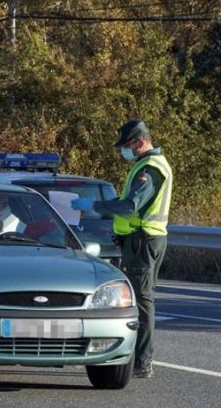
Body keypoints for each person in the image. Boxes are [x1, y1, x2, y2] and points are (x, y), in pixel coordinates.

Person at [71, 119, 172, 379]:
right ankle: (137, 359)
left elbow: (130, 206)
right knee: (139, 298)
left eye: (127, 146)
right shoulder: (144, 165)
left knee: (141, 300)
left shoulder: (150, 168)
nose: (124, 151)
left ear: (140, 142)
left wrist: (98, 207)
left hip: (143, 241)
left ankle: (142, 361)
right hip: (139, 240)